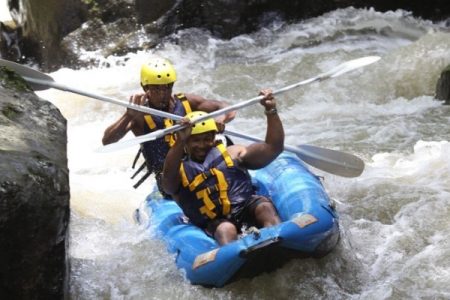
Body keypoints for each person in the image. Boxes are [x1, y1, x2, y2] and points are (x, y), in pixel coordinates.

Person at [162, 89, 283, 245]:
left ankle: (279, 240)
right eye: (195, 140)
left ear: (214, 136)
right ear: (186, 142)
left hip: (245, 207)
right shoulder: (179, 170)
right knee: (226, 229)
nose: (202, 145)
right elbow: (167, 185)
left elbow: (273, 147)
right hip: (215, 222)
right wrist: (180, 140)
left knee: (265, 208)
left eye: (207, 138)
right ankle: (238, 258)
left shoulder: (233, 153)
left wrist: (270, 110)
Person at [102, 57, 236, 194]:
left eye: (167, 87)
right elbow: (107, 141)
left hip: (199, 164)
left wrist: (221, 119)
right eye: (156, 88)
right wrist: (128, 116)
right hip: (170, 178)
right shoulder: (139, 114)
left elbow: (225, 107)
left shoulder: (186, 102)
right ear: (145, 87)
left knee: (226, 144)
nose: (163, 94)